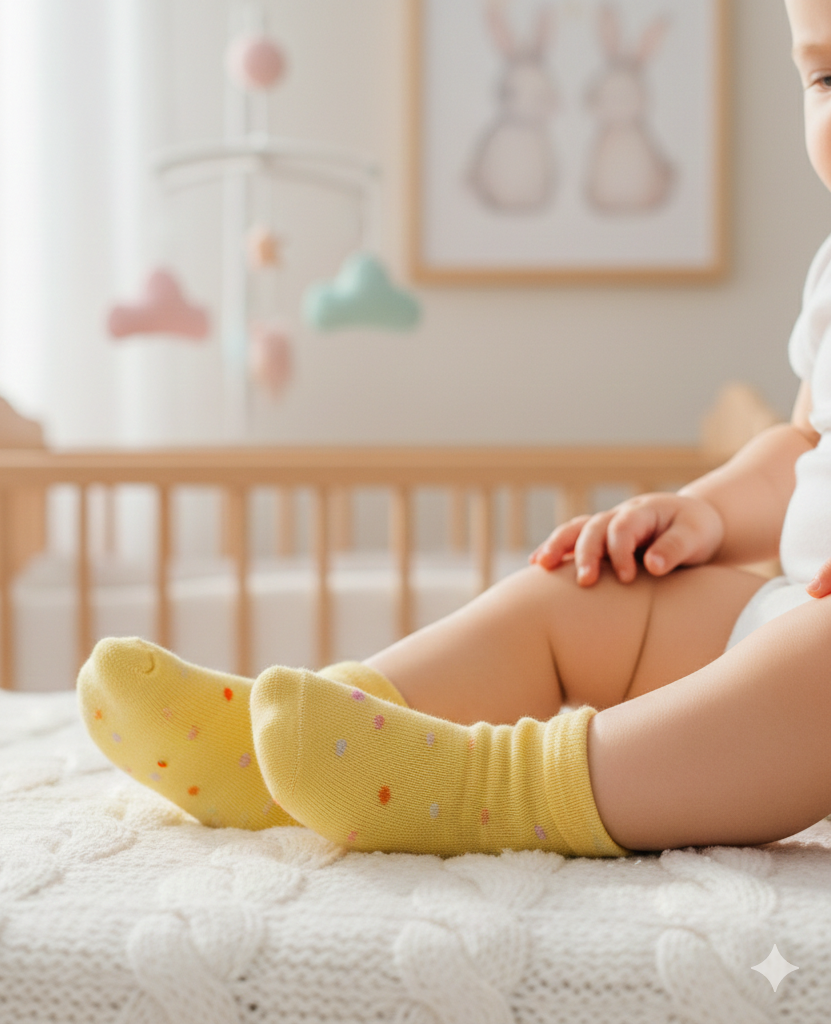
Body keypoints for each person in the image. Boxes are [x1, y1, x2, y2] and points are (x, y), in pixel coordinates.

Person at [78, 0, 831, 858]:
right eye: (828, 76)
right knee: (589, 594)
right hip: (788, 632)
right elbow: (803, 450)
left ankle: (484, 787)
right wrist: (706, 512)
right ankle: (295, 742)